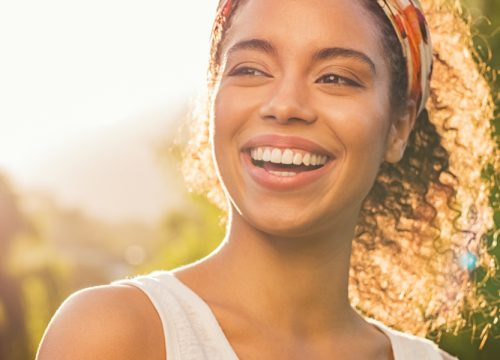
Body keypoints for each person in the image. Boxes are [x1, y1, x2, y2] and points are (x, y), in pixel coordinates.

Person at [37, 0, 497, 359]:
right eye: (251, 69)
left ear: (399, 126)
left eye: (335, 77)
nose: (285, 104)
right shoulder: (113, 336)